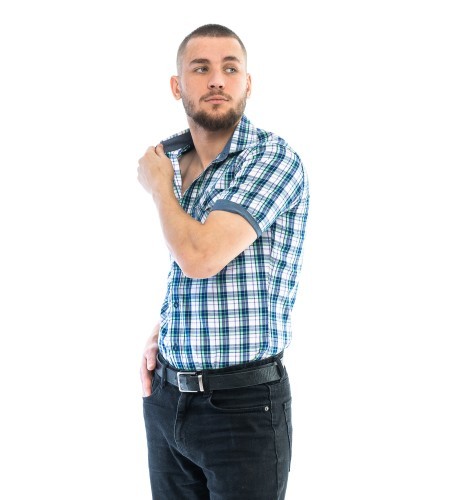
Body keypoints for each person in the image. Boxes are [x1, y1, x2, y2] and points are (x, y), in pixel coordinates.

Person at [137, 24, 309, 500]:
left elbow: (200, 256)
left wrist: (159, 189)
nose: (217, 79)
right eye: (201, 68)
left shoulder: (271, 159)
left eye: (230, 69)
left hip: (243, 409)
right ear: (177, 86)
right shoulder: (174, 160)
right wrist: (168, 331)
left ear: (247, 84)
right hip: (167, 398)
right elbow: (194, 270)